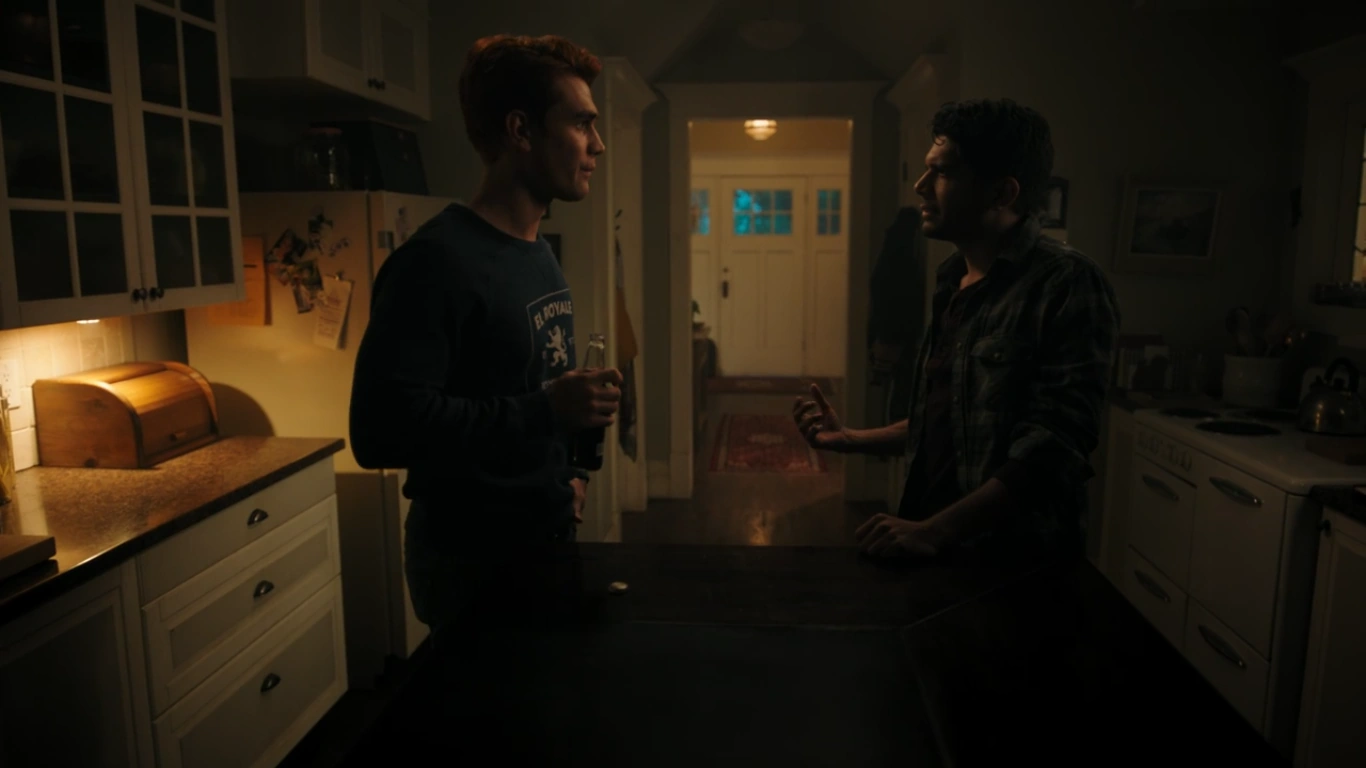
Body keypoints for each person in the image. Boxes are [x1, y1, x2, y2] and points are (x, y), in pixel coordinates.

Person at [348, 34, 622, 635]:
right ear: (521, 130)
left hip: (545, 540)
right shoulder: (436, 262)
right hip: (473, 564)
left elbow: (530, 389)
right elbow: (380, 431)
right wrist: (548, 409)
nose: (597, 144)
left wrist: (570, 475)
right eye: (581, 123)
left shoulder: (537, 253)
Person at [795, 98, 1120, 560]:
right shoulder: (953, 280)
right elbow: (950, 415)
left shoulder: (1067, 283)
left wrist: (936, 531)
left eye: (942, 172)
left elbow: (1054, 449)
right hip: (931, 538)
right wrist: (850, 439)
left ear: (1002, 193)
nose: (920, 186)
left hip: (1010, 561)